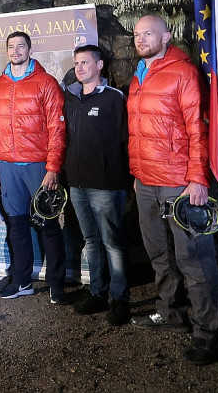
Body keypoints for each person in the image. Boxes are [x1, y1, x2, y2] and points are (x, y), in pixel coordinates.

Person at [128, 15, 218, 366]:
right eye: (137, 34)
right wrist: (137, 174)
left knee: (194, 259)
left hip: (180, 184)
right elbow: (140, 132)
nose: (141, 38)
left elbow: (197, 128)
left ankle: (208, 334)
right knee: (159, 255)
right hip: (146, 183)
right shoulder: (138, 75)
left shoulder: (182, 72)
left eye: (148, 33)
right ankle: (170, 313)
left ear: (166, 35)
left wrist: (198, 179)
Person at [0, 31, 68, 301]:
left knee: (48, 225)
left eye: (21, 46)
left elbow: (58, 128)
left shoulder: (46, 83)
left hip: (38, 166)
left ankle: (56, 284)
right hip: (8, 166)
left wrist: (53, 167)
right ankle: (22, 281)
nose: (15, 50)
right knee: (17, 226)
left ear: (30, 50)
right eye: (11, 46)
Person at [64, 45, 131, 325]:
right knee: (91, 241)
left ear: (100, 65)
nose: (80, 68)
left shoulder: (114, 99)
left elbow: (126, 141)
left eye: (85, 63)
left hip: (105, 185)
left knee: (112, 242)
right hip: (77, 185)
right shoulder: (70, 98)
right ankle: (97, 292)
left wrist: (124, 179)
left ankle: (119, 299)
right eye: (77, 63)